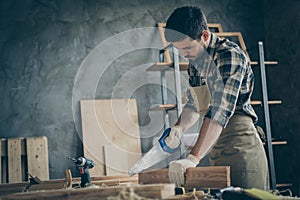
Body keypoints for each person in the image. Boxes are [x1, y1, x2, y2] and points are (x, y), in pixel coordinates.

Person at [162, 6, 269, 190]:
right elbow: (195, 105)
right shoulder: (195, 62)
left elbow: (220, 110)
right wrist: (179, 128)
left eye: (187, 48)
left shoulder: (229, 55)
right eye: (179, 50)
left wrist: (192, 158)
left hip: (240, 144)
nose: (184, 54)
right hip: (215, 146)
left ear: (204, 35)